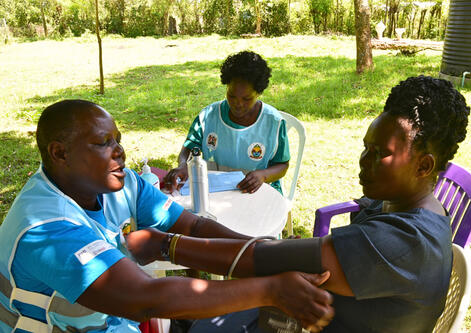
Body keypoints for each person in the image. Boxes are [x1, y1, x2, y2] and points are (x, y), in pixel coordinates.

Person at [127, 76, 471, 332]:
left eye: (379, 154)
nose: (363, 160)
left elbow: (261, 258)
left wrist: (166, 244)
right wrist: (190, 230)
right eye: (367, 146)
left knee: (199, 315)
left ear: (424, 165)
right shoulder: (409, 207)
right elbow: (274, 255)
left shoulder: (401, 243)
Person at [0, 100, 334, 333]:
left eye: (119, 140)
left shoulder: (124, 184)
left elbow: (193, 225)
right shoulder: (45, 228)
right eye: (104, 143)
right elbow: (145, 300)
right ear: (60, 152)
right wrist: (272, 290)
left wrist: (269, 253)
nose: (120, 152)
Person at [164, 51, 290, 194]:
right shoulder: (208, 116)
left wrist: (263, 175)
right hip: (216, 192)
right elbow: (188, 148)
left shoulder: (273, 123)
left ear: (259, 93)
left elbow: (282, 165)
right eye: (231, 95)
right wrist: (183, 165)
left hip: (257, 191)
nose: (238, 104)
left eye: (247, 99)